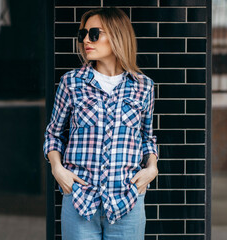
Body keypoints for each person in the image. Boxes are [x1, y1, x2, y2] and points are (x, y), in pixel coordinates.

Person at [43, 7, 159, 240]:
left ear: (117, 36)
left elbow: (147, 138)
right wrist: (58, 170)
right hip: (80, 202)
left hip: (127, 201)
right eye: (83, 34)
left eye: (94, 33)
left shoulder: (143, 86)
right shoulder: (71, 82)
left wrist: (151, 169)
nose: (86, 39)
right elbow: (54, 135)